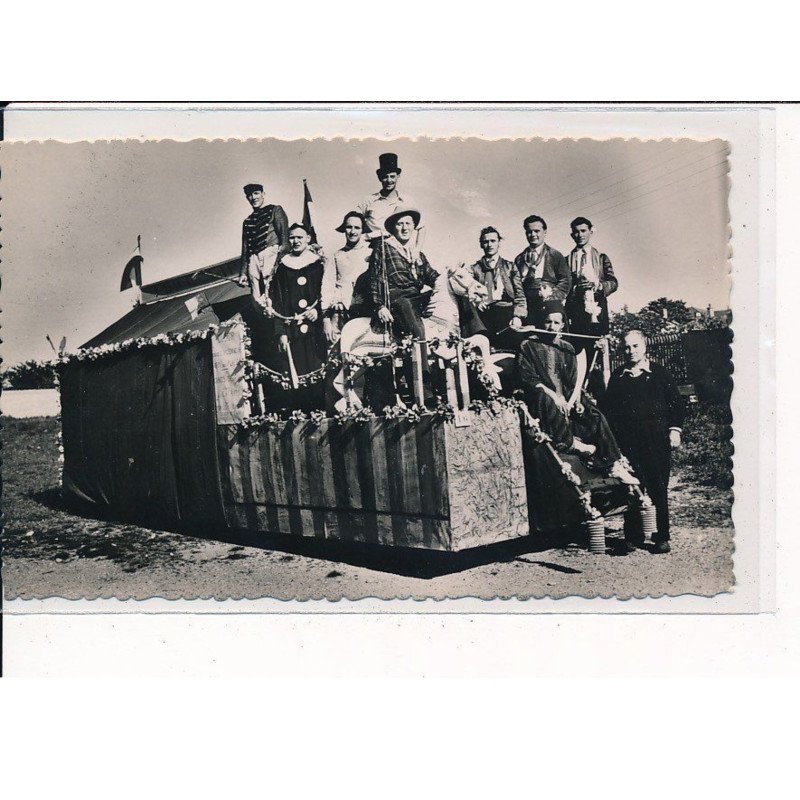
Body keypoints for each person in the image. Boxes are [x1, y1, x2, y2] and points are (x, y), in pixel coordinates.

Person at [516, 300, 638, 483]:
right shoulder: (528, 345)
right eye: (548, 321)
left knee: (594, 413)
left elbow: (573, 382)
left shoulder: (567, 348)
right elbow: (528, 378)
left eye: (556, 323)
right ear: (541, 322)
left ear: (562, 325)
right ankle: (571, 444)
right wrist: (554, 396)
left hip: (566, 402)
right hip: (542, 402)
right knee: (543, 397)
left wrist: (577, 400)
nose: (551, 327)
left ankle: (612, 463)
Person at [601, 330, 684, 553]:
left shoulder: (659, 373)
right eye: (627, 347)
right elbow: (609, 411)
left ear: (645, 346)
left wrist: (674, 430)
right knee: (632, 488)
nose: (631, 351)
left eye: (635, 346)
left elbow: (676, 404)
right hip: (629, 443)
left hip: (657, 441)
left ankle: (662, 536)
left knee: (658, 487)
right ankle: (633, 537)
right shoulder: (619, 376)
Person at [369, 206, 438, 404]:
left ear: (414, 227)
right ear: (393, 228)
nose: (404, 228)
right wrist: (380, 306)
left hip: (416, 297)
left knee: (459, 294)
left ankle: (477, 336)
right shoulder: (384, 248)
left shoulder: (417, 253)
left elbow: (432, 276)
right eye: (400, 224)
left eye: (408, 223)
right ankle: (424, 392)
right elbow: (375, 278)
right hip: (398, 298)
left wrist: (449, 280)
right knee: (417, 331)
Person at [264, 223, 328, 408]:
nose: (296, 241)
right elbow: (278, 302)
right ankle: (304, 414)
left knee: (319, 369)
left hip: (315, 328)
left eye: (300, 237)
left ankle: (322, 412)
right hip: (293, 330)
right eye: (292, 237)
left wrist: (318, 310)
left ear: (308, 239)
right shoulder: (283, 267)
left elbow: (326, 291)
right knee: (297, 373)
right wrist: (281, 333)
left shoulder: (318, 264)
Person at [565, 216, 618, 354]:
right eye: (576, 232)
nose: (580, 235)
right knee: (574, 353)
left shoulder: (601, 258)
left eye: (583, 231)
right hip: (575, 315)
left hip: (597, 314)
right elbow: (563, 287)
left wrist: (598, 286)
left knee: (597, 355)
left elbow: (613, 283)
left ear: (591, 232)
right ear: (572, 235)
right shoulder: (566, 261)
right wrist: (576, 288)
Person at [322, 211, 373, 342]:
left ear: (362, 230)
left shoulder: (371, 254)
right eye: (349, 227)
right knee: (339, 348)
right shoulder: (336, 255)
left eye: (357, 228)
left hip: (366, 311)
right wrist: (326, 319)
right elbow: (327, 286)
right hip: (341, 313)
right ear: (344, 229)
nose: (352, 231)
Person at [470, 226, 527, 341]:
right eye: (485, 242)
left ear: (499, 243)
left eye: (493, 241)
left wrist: (518, 316)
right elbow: (468, 292)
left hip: (506, 313)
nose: (489, 245)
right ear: (481, 245)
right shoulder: (474, 269)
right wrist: (477, 301)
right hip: (484, 314)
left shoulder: (510, 267)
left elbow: (519, 294)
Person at [513, 215, 571, 325]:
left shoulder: (555, 255)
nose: (533, 235)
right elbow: (516, 285)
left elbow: (565, 281)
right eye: (529, 232)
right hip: (527, 305)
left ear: (545, 232)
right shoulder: (519, 259)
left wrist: (552, 299)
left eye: (537, 231)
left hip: (548, 304)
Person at [238, 183, 290, 304]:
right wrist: (243, 273)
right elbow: (245, 249)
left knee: (273, 289)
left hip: (271, 253)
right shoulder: (247, 221)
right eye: (250, 195)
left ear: (263, 194)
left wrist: (281, 259)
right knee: (256, 297)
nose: (253, 197)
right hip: (254, 259)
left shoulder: (275, 210)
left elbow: (284, 239)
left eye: (256, 193)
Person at [358, 153, 420, 246]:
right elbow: (354, 222)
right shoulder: (368, 200)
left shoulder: (407, 200)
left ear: (398, 176)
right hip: (373, 248)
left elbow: (421, 227)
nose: (389, 180)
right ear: (379, 178)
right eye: (385, 177)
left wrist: (416, 250)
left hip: (399, 248)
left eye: (392, 176)